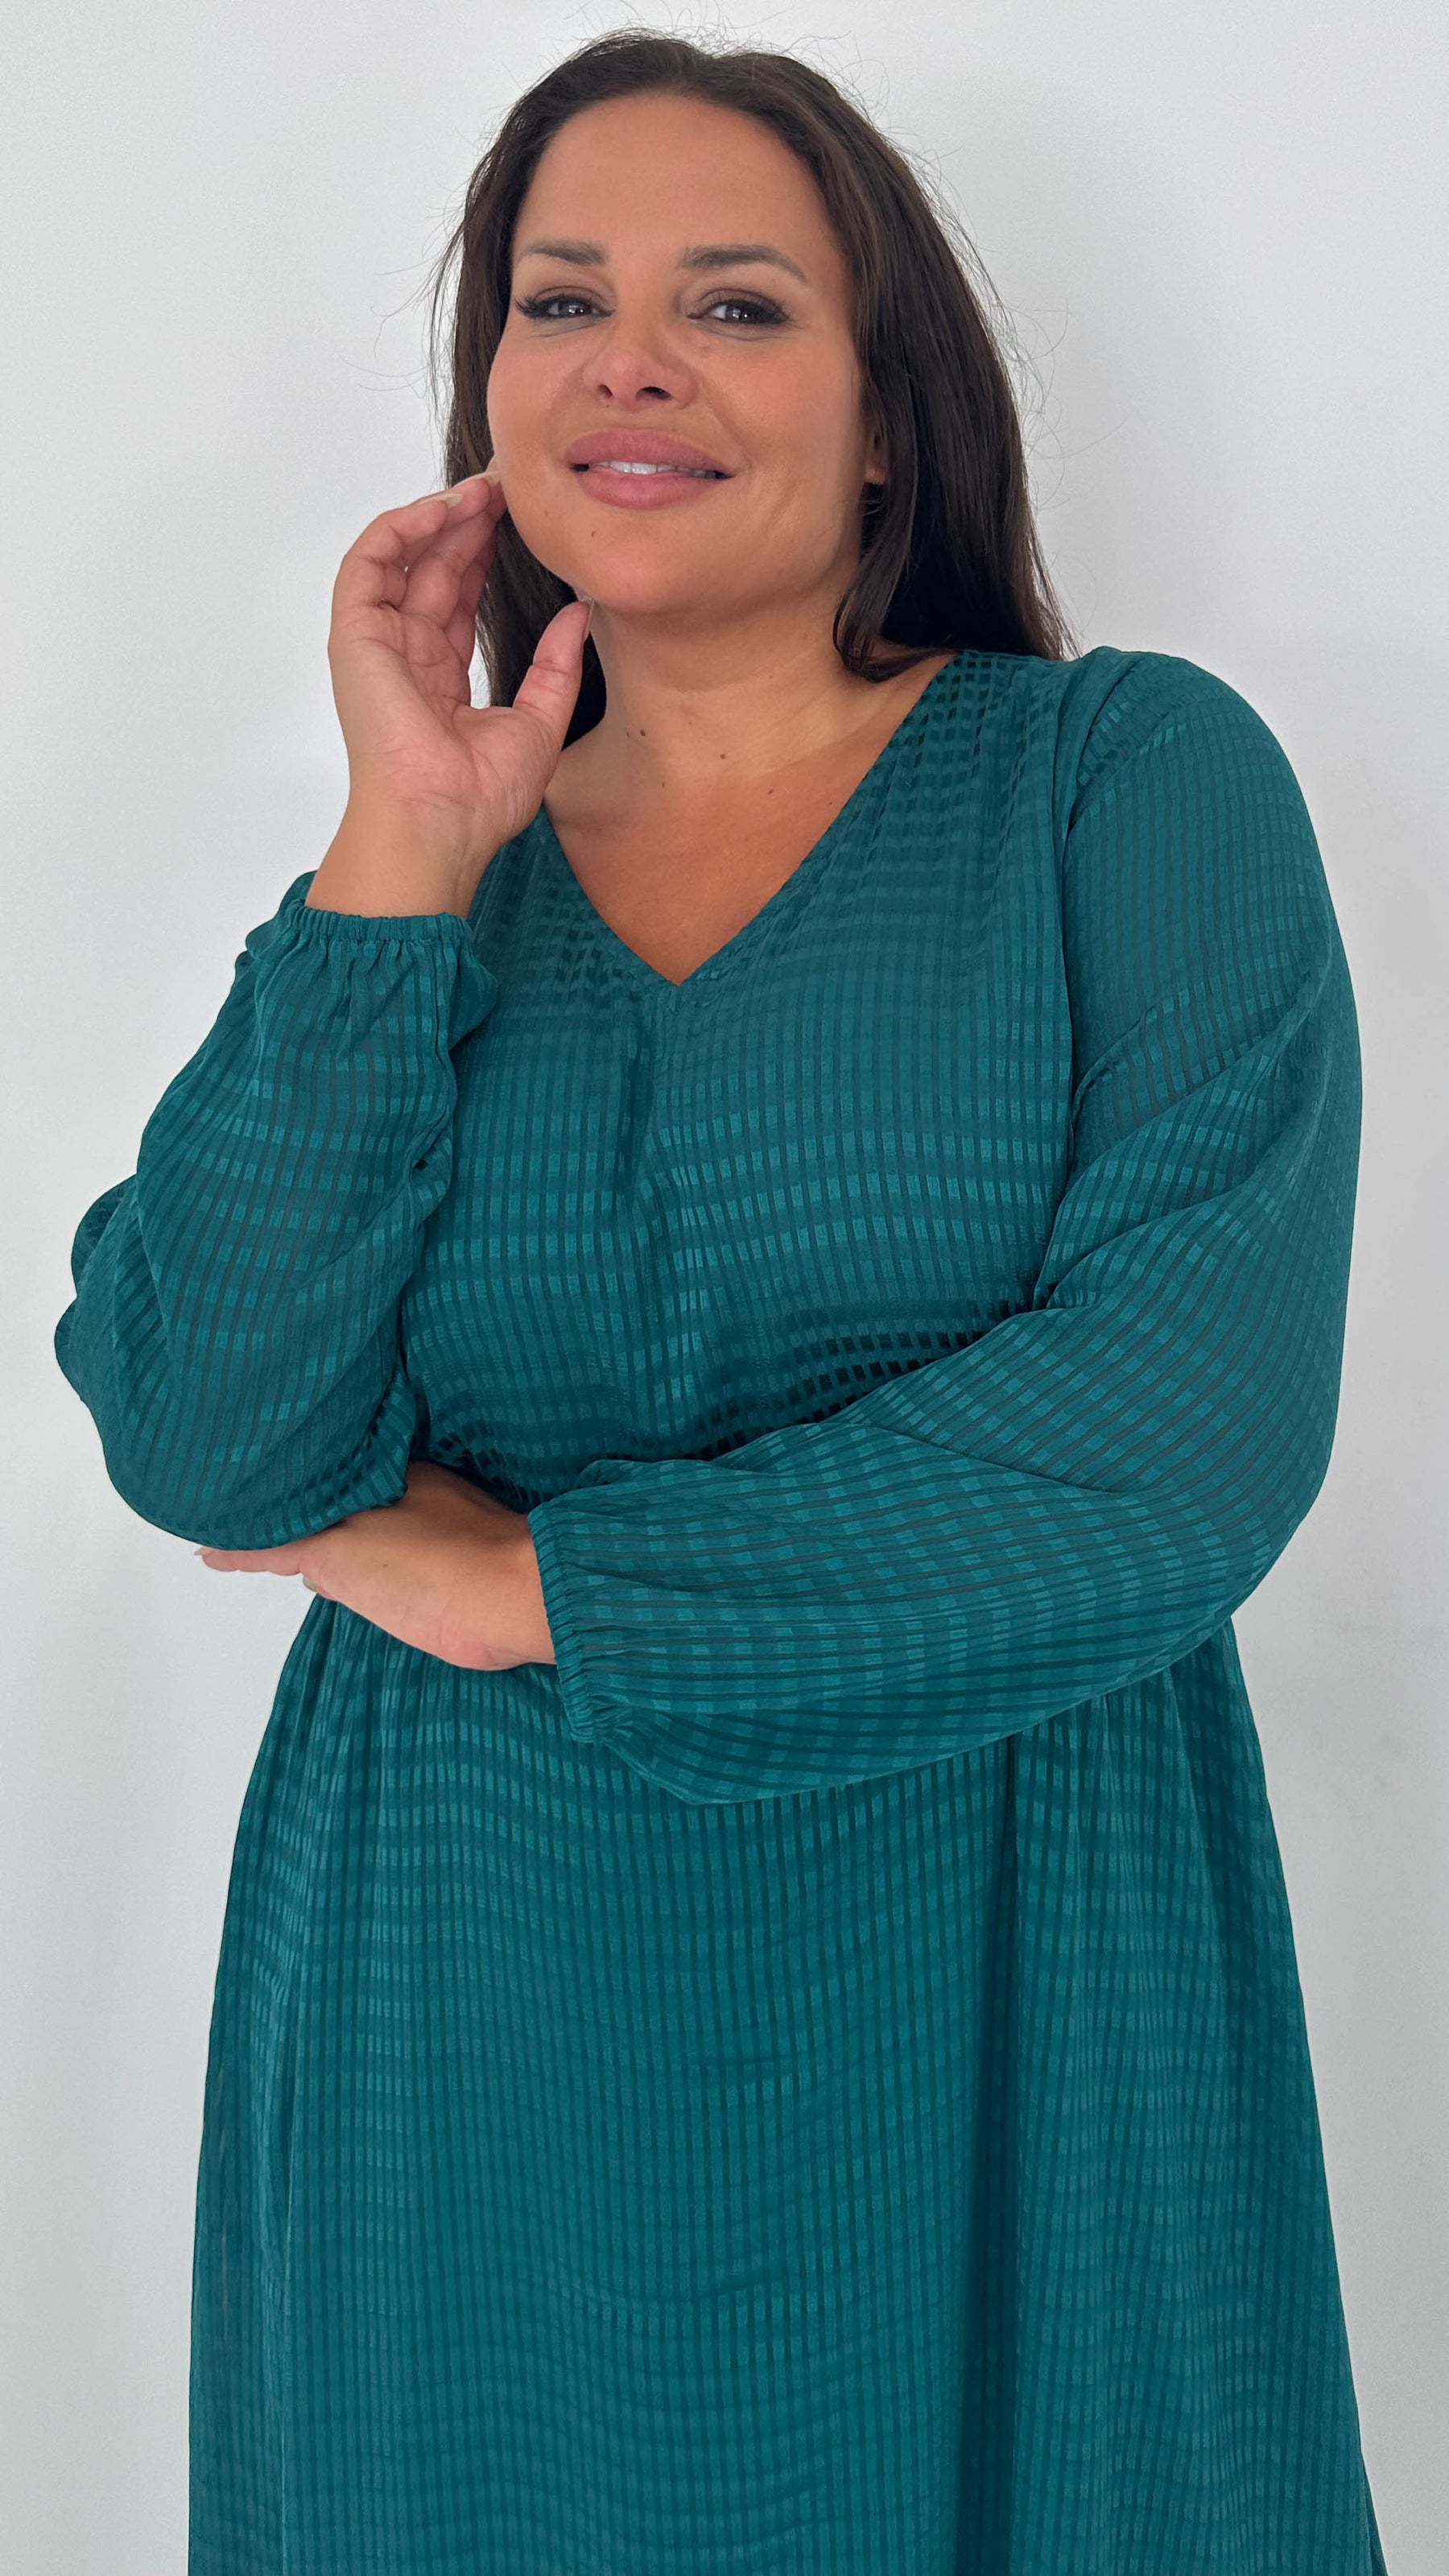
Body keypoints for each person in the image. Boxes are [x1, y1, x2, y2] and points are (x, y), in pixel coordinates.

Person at [53, 28, 1389, 2576]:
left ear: (892, 423)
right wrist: (399, 840)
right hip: (470, 2031)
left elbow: (1179, 1435)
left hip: (1013, 1988)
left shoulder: (1121, 783)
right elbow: (214, 1431)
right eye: (560, 301)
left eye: (738, 305)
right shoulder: (410, 905)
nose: (629, 363)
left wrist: (533, 1580)